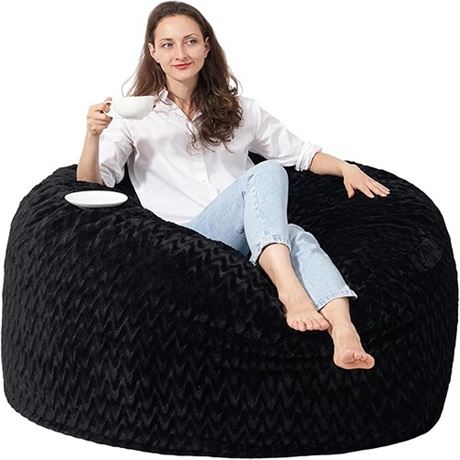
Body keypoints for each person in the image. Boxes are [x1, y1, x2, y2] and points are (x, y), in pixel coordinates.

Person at [77, 1, 390, 370]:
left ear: (206, 46)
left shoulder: (241, 109)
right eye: (168, 45)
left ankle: (344, 330)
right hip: (184, 240)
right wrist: (93, 135)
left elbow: (301, 153)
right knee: (267, 173)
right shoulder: (134, 116)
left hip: (245, 235)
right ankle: (289, 289)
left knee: (295, 234)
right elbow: (93, 183)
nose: (181, 54)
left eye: (190, 41)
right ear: (153, 52)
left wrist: (345, 168)